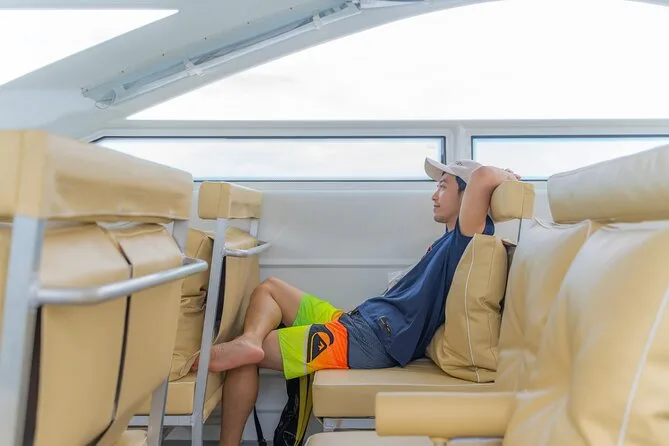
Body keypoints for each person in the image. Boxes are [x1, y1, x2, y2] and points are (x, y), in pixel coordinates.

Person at [195, 157, 521, 446]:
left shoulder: (467, 240)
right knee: (270, 288)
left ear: (466, 194)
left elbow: (483, 177)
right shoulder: (446, 241)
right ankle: (250, 340)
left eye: (443, 186)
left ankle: (241, 382)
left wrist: (505, 176)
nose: (434, 195)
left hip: (372, 340)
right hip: (359, 320)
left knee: (244, 360)